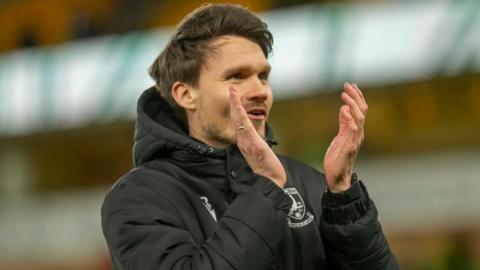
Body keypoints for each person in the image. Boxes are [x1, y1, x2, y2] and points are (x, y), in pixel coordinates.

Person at [101, 3, 399, 270]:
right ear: (186, 94)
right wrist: (265, 190)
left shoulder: (308, 183)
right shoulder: (138, 198)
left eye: (263, 76)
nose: (260, 91)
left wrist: (343, 198)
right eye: (237, 76)